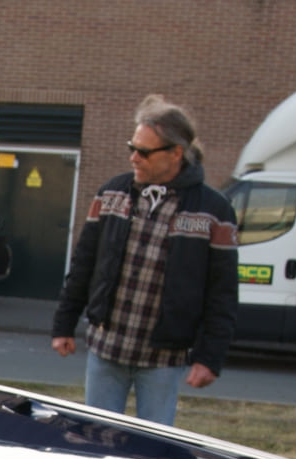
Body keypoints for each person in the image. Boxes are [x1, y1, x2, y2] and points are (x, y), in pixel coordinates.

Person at [52, 95, 238, 425]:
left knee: (153, 451)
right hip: (107, 349)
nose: (134, 158)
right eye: (131, 147)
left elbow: (222, 291)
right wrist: (64, 323)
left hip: (163, 357)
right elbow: (84, 262)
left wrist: (210, 357)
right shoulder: (112, 194)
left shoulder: (213, 210)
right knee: (96, 440)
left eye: (144, 152)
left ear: (175, 153)